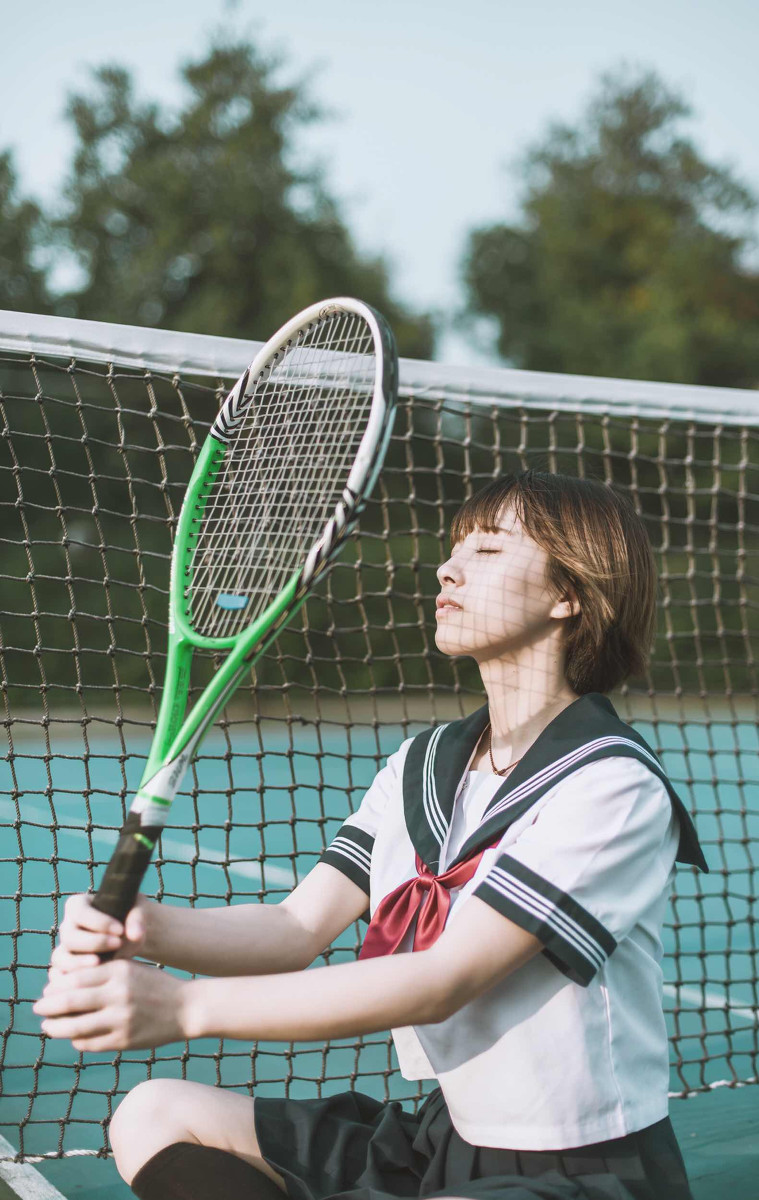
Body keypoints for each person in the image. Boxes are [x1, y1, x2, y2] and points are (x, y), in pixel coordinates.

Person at [35, 470, 707, 1200]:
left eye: (486, 551)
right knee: (154, 1113)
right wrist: (147, 929)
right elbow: (294, 927)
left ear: (566, 594)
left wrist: (184, 1007)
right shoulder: (422, 765)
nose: (447, 567)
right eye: (454, 548)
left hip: (581, 1172)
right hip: (442, 1141)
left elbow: (441, 980)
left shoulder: (610, 784)